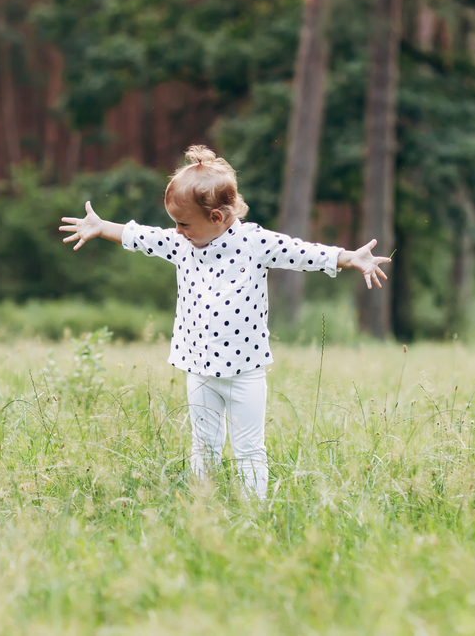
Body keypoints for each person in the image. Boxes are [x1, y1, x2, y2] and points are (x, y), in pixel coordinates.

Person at [59, 145, 390, 499]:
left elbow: (300, 251)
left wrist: (348, 258)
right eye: (175, 223)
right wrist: (101, 226)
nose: (177, 230)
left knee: (249, 450)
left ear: (217, 217)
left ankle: (254, 513)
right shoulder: (182, 244)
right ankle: (204, 506)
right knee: (203, 447)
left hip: (245, 372)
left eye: (183, 223)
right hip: (198, 368)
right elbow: (142, 237)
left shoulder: (253, 242)